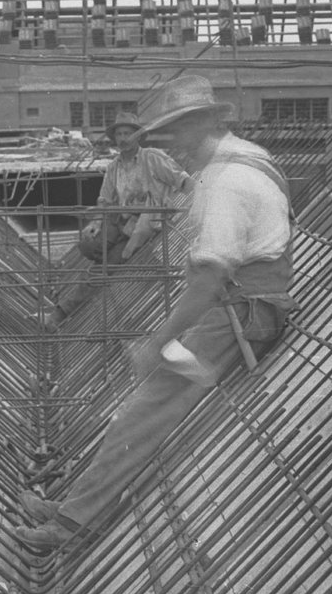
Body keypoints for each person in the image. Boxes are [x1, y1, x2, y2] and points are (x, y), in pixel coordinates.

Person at [15, 75, 293, 551]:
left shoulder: (224, 182)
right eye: (165, 133)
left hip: (237, 318)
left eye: (180, 131)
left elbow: (209, 277)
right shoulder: (250, 158)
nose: (172, 145)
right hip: (246, 309)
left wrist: (159, 342)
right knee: (140, 404)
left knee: (143, 410)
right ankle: (74, 504)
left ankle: (74, 524)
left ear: (207, 122)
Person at [54, 115, 189, 320]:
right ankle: (110, 266)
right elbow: (104, 199)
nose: (123, 138)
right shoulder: (114, 167)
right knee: (87, 244)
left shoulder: (152, 157)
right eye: (119, 134)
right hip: (120, 220)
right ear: (115, 138)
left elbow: (183, 181)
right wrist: (96, 222)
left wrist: (202, 200)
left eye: (128, 133)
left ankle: (62, 311)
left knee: (103, 268)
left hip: (144, 225)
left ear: (137, 136)